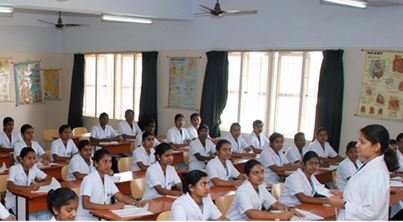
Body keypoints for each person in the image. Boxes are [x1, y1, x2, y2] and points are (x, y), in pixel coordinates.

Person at [328, 124, 398, 220]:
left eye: (362, 142)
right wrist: (344, 194)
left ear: (376, 146)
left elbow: (371, 212)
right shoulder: (368, 165)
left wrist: (343, 204)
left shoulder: (377, 173)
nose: (357, 145)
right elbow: (362, 193)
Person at [76, 149, 142, 220]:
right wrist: (110, 206)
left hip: (102, 215)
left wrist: (135, 202)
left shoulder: (108, 178)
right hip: (87, 218)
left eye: (110, 162)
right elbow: (86, 204)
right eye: (105, 162)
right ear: (95, 163)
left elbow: (121, 197)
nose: (108, 165)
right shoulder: (89, 179)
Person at [226, 159, 298, 220]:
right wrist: (279, 216)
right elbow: (251, 213)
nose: (260, 176)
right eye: (256, 173)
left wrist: (289, 209)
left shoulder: (260, 186)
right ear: (247, 176)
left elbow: (274, 203)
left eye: (262, 172)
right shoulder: (242, 191)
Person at [6, 147, 52, 220]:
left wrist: (38, 184)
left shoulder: (34, 168)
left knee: (46, 215)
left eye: (34, 158)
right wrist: (29, 188)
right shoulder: (14, 169)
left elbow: (49, 179)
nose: (32, 161)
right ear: (21, 159)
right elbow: (10, 186)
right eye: (29, 158)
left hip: (30, 199)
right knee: (31, 219)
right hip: (15, 202)